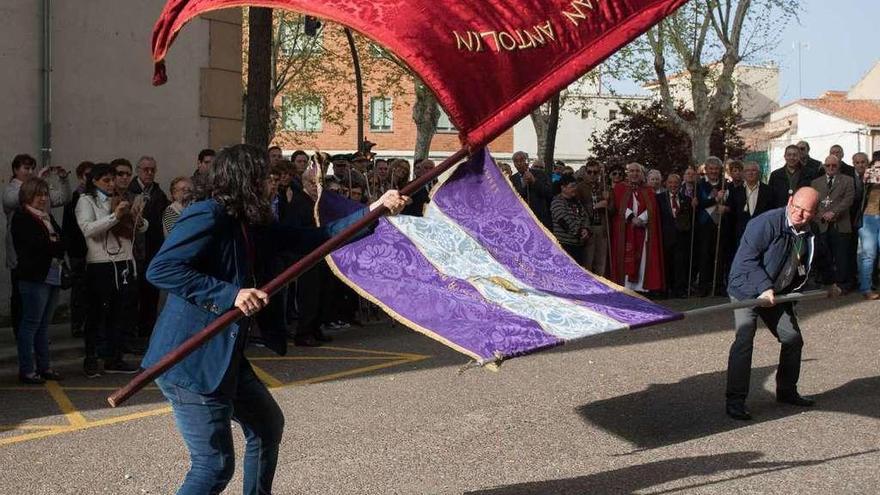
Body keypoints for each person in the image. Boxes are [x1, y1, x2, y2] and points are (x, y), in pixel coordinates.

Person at [141, 144, 409, 494]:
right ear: (244, 179)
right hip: (190, 360)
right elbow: (161, 269)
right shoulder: (207, 215)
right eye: (264, 176)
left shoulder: (251, 222)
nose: (271, 183)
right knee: (214, 466)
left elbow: (314, 240)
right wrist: (229, 294)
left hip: (226, 357)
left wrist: (373, 211)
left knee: (266, 426)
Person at [725, 187, 839, 420]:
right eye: (796, 207)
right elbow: (747, 261)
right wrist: (763, 287)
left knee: (792, 339)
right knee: (744, 340)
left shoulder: (810, 230)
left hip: (778, 293)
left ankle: (787, 390)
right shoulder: (764, 224)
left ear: (816, 213)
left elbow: (821, 256)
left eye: (806, 211)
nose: (799, 214)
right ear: (789, 201)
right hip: (746, 289)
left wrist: (830, 283)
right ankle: (735, 400)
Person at [76, 163, 147, 377]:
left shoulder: (121, 199)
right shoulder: (86, 201)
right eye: (105, 180)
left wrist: (136, 217)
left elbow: (142, 228)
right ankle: (91, 358)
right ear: (94, 181)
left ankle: (113, 358)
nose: (111, 184)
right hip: (100, 263)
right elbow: (89, 230)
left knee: (119, 312)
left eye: (112, 179)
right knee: (97, 313)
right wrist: (115, 216)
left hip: (123, 261)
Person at [4, 154, 71, 339]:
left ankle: (37, 339)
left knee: (42, 313)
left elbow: (62, 198)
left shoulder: (40, 191)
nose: (30, 172)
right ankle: (22, 336)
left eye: (32, 168)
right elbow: (16, 200)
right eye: (26, 168)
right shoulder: (11, 189)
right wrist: (38, 183)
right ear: (16, 170)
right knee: (21, 299)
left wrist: (63, 180)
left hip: (48, 260)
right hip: (23, 256)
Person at [12, 177, 66, 384]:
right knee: (31, 324)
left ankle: (45, 367)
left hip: (52, 275)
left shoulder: (47, 217)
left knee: (44, 325)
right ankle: (27, 370)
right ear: (27, 196)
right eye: (38, 194)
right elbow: (36, 246)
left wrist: (53, 243)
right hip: (33, 277)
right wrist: (52, 243)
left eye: (45, 194)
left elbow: (62, 242)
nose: (43, 199)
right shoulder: (22, 216)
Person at [130, 156, 170, 341]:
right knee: (132, 297)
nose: (149, 173)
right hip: (133, 250)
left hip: (153, 250)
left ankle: (146, 335)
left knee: (150, 296)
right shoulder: (129, 192)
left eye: (152, 170)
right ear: (138, 170)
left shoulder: (159, 194)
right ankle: (131, 335)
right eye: (145, 169)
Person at [609, 162, 664, 292]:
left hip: (643, 228)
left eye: (637, 171)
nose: (634, 174)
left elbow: (652, 209)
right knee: (626, 255)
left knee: (643, 258)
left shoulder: (648, 189)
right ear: (627, 173)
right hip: (626, 228)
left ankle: (640, 287)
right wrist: (632, 218)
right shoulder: (620, 188)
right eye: (632, 171)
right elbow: (619, 205)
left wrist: (641, 219)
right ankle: (626, 286)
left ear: (641, 174)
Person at [811, 155, 854, 289]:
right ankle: (826, 283)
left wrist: (833, 212)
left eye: (834, 165)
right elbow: (813, 202)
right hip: (821, 224)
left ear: (839, 166)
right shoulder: (815, 182)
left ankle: (842, 284)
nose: (831, 168)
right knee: (824, 255)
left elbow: (848, 200)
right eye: (828, 165)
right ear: (824, 166)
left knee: (841, 255)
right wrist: (822, 214)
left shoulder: (848, 180)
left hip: (840, 224)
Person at [62, 161, 93, 338]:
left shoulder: (93, 197)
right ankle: (77, 323)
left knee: (89, 289)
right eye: (87, 175)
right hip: (78, 251)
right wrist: (72, 251)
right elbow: (69, 228)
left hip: (92, 249)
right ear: (80, 177)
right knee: (79, 289)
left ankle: (87, 322)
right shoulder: (74, 198)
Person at [695, 157, 731, 296]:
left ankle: (718, 286)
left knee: (720, 255)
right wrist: (715, 199)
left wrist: (726, 207)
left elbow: (731, 203)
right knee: (704, 255)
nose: (713, 171)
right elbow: (700, 205)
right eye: (711, 169)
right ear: (706, 170)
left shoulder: (725, 185)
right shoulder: (700, 185)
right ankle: (703, 286)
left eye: (716, 169)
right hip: (705, 225)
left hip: (721, 224)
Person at [657, 173, 692, 298]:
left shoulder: (687, 199)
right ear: (666, 184)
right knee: (666, 264)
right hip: (665, 236)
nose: (673, 185)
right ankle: (666, 289)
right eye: (670, 183)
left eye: (676, 183)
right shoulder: (659, 198)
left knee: (680, 264)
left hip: (681, 237)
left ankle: (680, 290)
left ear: (679, 184)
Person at [576, 160, 609, 275]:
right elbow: (578, 209)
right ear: (585, 172)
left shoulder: (604, 187)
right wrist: (595, 206)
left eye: (595, 172)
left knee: (601, 262)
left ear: (599, 173)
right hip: (588, 227)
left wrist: (608, 201)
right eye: (589, 172)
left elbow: (613, 209)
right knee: (587, 262)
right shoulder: (579, 187)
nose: (592, 175)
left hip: (602, 227)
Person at [728, 161, 773, 243]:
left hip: (762, 234)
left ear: (759, 173)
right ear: (743, 174)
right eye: (747, 171)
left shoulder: (769, 191)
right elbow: (732, 214)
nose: (750, 173)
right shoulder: (735, 192)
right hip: (742, 235)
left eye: (753, 170)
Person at [551, 175, 589, 261]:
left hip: (578, 245)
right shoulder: (557, 202)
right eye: (572, 186)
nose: (575, 188)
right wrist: (579, 232)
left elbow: (585, 216)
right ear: (563, 188)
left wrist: (586, 229)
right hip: (564, 245)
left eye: (575, 186)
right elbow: (564, 221)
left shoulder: (577, 202)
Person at [510, 151, 553, 227]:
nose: (519, 163)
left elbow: (548, 192)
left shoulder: (540, 174)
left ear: (527, 161)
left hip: (539, 216)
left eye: (522, 160)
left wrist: (534, 181)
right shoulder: (512, 179)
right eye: (516, 161)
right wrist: (523, 185)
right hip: (522, 218)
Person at [857, 158, 880, 299]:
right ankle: (866, 288)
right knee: (868, 254)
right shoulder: (865, 182)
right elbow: (856, 196)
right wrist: (863, 181)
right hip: (868, 219)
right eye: (876, 169)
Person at [769, 144, 814, 208]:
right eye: (789, 155)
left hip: (801, 210)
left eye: (795, 155)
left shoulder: (809, 174)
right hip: (780, 211)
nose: (792, 158)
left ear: (799, 156)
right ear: (785, 156)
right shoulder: (775, 175)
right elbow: (770, 197)